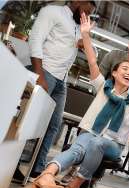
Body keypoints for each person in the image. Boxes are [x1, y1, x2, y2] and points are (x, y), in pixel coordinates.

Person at [28, 13, 129, 188]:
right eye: (124, 69)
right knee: (77, 149)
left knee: (95, 143)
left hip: (114, 144)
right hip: (91, 133)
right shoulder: (103, 86)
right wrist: (85, 34)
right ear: (114, 73)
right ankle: (47, 175)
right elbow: (92, 60)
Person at [28, 1, 96, 178]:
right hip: (46, 72)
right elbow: (35, 38)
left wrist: (85, 37)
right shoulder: (53, 12)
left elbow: (94, 54)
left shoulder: (77, 27)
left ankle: (37, 166)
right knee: (31, 120)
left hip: (61, 81)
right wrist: (39, 74)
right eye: (86, 12)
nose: (86, 17)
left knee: (53, 125)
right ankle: (18, 161)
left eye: (89, 15)